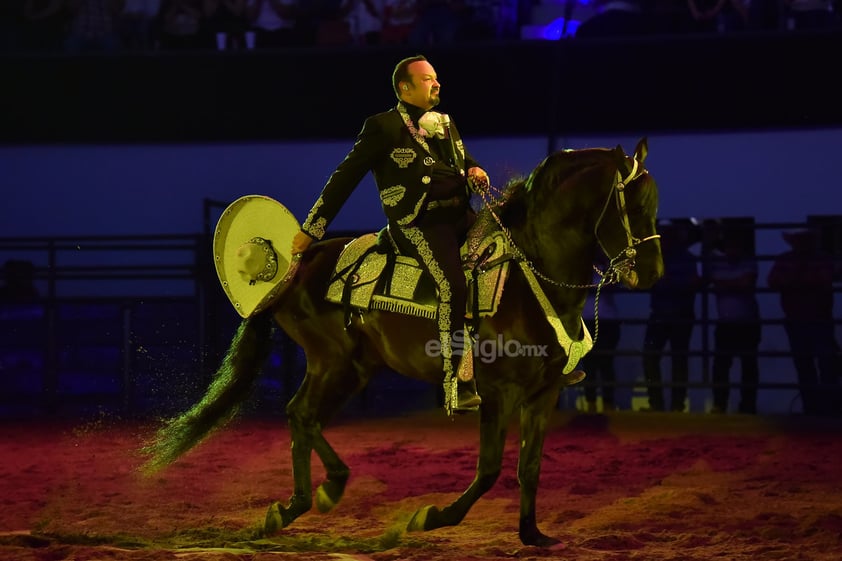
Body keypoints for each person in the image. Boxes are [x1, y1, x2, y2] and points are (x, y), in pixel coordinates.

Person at [290, 54, 490, 414]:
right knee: (453, 285)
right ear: (405, 87)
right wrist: (312, 227)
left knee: (511, 253)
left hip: (462, 215)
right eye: (428, 79)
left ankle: (553, 352)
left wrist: (474, 168)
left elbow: (462, 158)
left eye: (436, 78)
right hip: (419, 224)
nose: (437, 83)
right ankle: (456, 382)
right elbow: (344, 177)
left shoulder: (444, 122)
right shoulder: (381, 126)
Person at [768, 229, 840, 416]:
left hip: (809, 318)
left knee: (818, 364)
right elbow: (774, 281)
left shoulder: (787, 260)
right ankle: (821, 407)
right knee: (814, 364)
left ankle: (820, 407)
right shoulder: (820, 259)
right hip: (811, 318)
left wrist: (793, 280)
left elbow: (777, 281)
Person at [641, 221, 703, 412]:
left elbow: (693, 283)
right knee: (671, 359)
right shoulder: (686, 259)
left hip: (671, 314)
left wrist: (664, 282)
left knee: (664, 358)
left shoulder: (677, 259)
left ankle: (664, 404)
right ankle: (670, 404)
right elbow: (691, 283)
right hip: (671, 314)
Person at [707, 232, 761, 414]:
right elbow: (742, 283)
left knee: (746, 365)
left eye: (735, 246)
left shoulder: (746, 262)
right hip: (731, 322)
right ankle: (722, 404)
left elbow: (745, 284)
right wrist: (735, 283)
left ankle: (745, 406)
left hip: (745, 322)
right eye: (730, 246)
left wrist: (722, 283)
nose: (732, 250)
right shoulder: (741, 263)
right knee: (724, 365)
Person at [580, 255, 622, 413]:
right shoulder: (584, 266)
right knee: (590, 364)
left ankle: (607, 403)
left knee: (605, 363)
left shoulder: (609, 267)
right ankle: (592, 402)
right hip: (588, 321)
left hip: (607, 320)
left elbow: (615, 284)